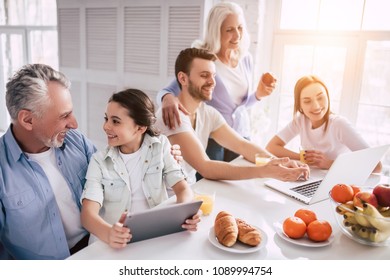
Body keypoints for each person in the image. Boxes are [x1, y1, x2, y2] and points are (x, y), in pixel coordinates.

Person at [0, 64, 183, 260]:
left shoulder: (75, 141)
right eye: (64, 116)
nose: (74, 124)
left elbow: (116, 176)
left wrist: (163, 162)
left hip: (99, 247)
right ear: (28, 120)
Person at [155, 48, 309, 185]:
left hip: (188, 195)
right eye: (204, 75)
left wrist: (279, 163)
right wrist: (264, 171)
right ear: (183, 79)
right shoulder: (172, 115)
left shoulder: (208, 113)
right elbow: (205, 167)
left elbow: (242, 145)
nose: (212, 82)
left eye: (214, 75)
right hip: (165, 202)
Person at [157, 1, 276, 163]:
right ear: (216, 31)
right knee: (211, 183)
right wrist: (167, 99)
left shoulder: (245, 58)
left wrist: (258, 95)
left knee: (241, 180)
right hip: (213, 137)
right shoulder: (205, 59)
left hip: (241, 133)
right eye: (229, 30)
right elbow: (169, 89)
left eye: (240, 28)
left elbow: (238, 106)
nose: (237, 35)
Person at [80, 89, 200, 249]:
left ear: (140, 128)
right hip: (113, 244)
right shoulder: (99, 161)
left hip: (154, 237)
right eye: (106, 118)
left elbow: (183, 189)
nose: (106, 126)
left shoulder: (161, 146)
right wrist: (109, 233)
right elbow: (88, 216)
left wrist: (185, 213)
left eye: (115, 121)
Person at [266, 74, 382, 173]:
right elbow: (271, 147)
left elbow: (377, 166)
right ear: (299, 105)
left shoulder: (339, 124)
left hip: (338, 186)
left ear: (328, 97)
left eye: (320, 98)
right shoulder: (301, 120)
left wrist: (329, 163)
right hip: (310, 180)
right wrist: (304, 158)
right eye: (307, 101)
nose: (316, 106)